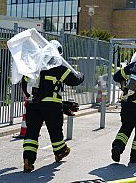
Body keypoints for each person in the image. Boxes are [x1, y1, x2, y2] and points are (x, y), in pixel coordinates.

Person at [21, 40, 84, 172]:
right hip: (52, 107)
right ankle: (60, 151)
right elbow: (74, 81)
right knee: (55, 130)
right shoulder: (58, 68)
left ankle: (28, 159)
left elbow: (24, 87)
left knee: (32, 132)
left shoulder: (34, 67)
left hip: (33, 105)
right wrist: (80, 75)